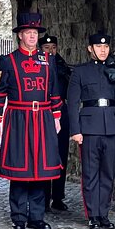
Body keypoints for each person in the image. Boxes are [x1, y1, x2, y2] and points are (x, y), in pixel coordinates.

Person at [0, 12, 63, 229]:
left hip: (42, 118)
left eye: (35, 33)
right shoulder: (9, 61)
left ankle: (37, 217)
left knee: (41, 169)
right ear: (20, 35)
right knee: (20, 169)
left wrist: (57, 116)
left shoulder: (47, 60)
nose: (32, 36)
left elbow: (54, 90)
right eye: (28, 33)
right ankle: (19, 217)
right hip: (19, 118)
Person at [67, 32, 115, 229]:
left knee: (108, 173)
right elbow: (73, 102)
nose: (102, 50)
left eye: (106, 47)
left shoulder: (114, 70)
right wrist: (75, 130)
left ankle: (104, 214)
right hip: (89, 128)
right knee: (91, 174)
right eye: (99, 47)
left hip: (111, 127)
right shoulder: (81, 72)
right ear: (90, 48)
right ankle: (92, 215)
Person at [38, 33, 71, 212]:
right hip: (45, 112)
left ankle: (58, 196)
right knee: (44, 155)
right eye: (46, 48)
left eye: (53, 48)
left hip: (62, 111)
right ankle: (43, 198)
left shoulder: (62, 65)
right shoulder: (37, 65)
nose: (50, 51)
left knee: (61, 154)